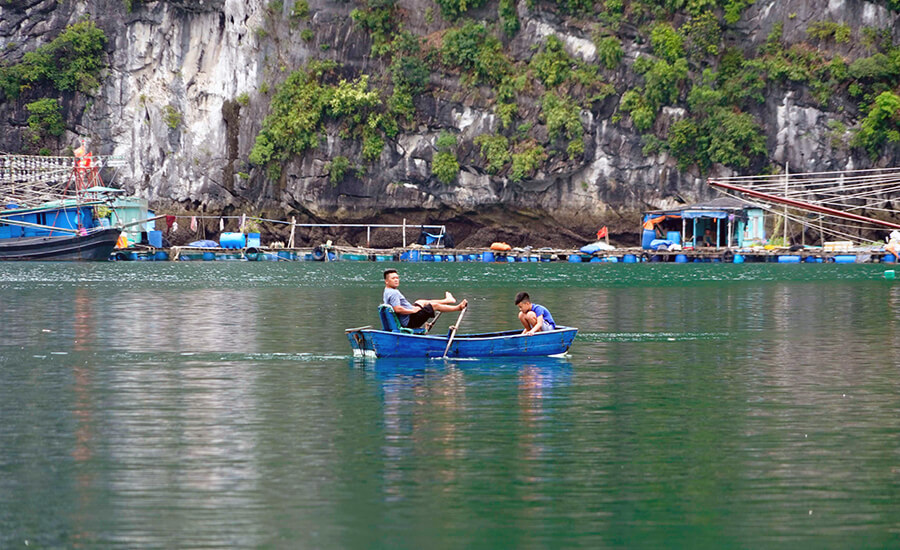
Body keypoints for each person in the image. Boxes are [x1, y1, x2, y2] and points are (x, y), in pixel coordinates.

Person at [383, 269, 467, 329]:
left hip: (409, 317)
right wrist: (413, 311)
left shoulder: (387, 291)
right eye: (393, 278)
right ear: (386, 281)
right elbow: (398, 309)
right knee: (433, 306)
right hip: (410, 322)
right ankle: (458, 308)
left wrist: (413, 309)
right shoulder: (393, 293)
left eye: (397, 278)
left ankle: (447, 300)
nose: (396, 280)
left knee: (420, 301)